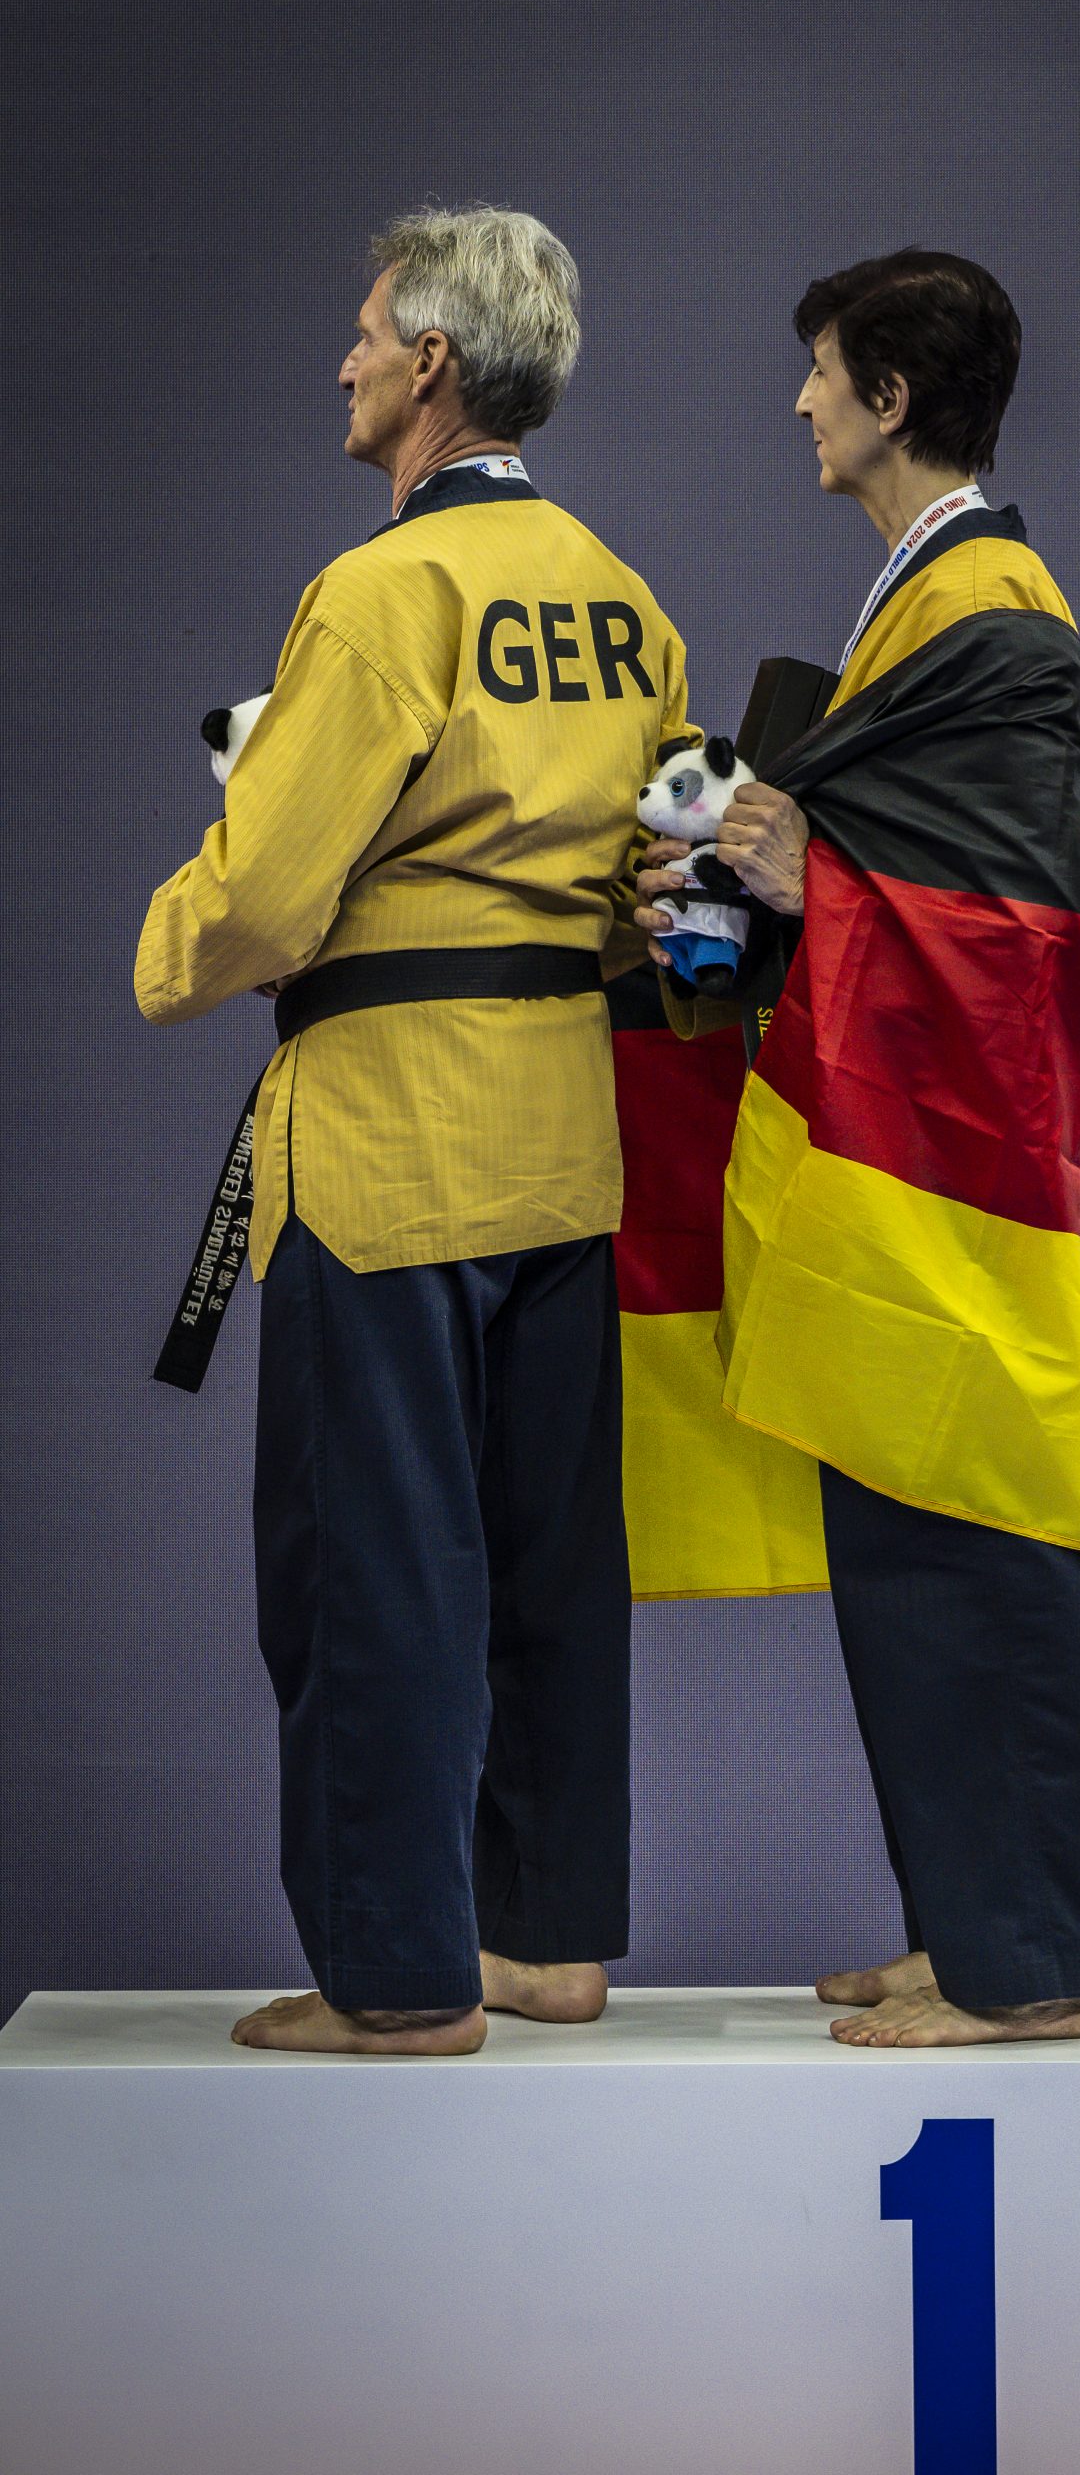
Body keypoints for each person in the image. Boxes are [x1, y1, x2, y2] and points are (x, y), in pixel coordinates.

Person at [137, 206, 698, 2055]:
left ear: (436, 364)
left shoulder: (379, 596)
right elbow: (654, 899)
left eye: (370, 334)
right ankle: (545, 1940)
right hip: (561, 1132)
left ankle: (395, 1978)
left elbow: (265, 895)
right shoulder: (626, 604)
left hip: (387, 1142)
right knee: (547, 1556)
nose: (349, 360)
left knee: (369, 1561)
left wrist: (169, 945)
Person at [637, 249, 1080, 2047]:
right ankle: (965, 1930)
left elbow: (1008, 940)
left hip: (967, 1172)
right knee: (911, 1543)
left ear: (891, 398)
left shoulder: (992, 610)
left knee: (981, 1531)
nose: (801, 403)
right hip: (903, 1158)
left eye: (822, 373)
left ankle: (1029, 1970)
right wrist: (748, 874)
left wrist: (805, 874)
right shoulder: (924, 596)